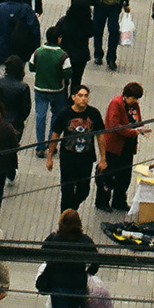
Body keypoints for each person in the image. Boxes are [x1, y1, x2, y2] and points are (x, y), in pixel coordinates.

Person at [38, 208, 99, 308]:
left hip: (58, 285)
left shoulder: (54, 238)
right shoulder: (85, 241)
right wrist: (88, 272)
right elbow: (96, 260)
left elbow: (42, 253)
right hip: (78, 284)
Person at [46, 83, 106, 213]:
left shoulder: (94, 113)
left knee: (84, 190)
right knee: (66, 191)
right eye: (80, 96)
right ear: (73, 97)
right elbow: (55, 135)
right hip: (68, 158)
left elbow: (100, 137)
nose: (83, 98)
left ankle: (70, 211)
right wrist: (50, 156)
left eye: (86, 96)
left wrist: (103, 159)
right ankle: (65, 219)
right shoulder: (65, 113)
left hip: (86, 158)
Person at [96, 82, 147, 212]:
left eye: (136, 99)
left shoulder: (134, 105)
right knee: (107, 175)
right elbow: (114, 125)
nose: (135, 101)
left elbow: (138, 119)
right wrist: (132, 132)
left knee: (124, 176)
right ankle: (102, 201)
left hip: (128, 147)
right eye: (133, 98)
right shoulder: (116, 104)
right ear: (126, 95)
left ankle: (119, 200)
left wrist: (141, 128)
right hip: (114, 146)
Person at [31, 27, 71, 155]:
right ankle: (51, 143)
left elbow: (31, 67)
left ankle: (40, 146)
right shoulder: (63, 55)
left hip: (40, 89)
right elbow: (68, 73)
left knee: (40, 117)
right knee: (56, 116)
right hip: (57, 90)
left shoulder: (38, 51)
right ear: (59, 39)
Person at [0, 0, 39, 65]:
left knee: (1, 73)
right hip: (21, 52)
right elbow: (35, 30)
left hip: (2, 51)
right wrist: (34, 48)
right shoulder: (27, 10)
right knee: (18, 73)